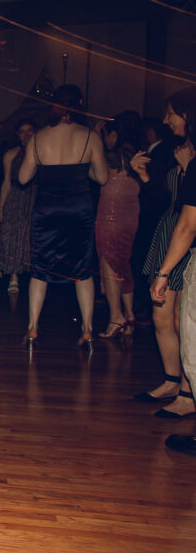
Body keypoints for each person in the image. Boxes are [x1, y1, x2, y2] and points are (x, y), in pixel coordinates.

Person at [19, 85, 110, 347]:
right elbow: (102, 177)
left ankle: (33, 327)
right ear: (79, 105)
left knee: (40, 268)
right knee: (82, 270)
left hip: (47, 209)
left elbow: (24, 178)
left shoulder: (38, 137)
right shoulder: (90, 136)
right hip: (78, 209)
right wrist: (81, 172)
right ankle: (87, 329)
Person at [149, 88, 196, 428]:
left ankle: (186, 393)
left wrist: (164, 271)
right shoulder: (172, 151)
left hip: (184, 238)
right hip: (172, 232)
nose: (166, 120)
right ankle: (174, 383)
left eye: (170, 113)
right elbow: (161, 202)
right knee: (168, 318)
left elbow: (189, 217)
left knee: (184, 321)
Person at [95, 119, 141, 337]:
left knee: (109, 261)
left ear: (113, 135)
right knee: (122, 261)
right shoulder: (135, 155)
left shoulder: (112, 156)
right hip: (131, 214)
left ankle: (116, 317)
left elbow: (97, 176)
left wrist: (93, 144)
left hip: (111, 213)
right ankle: (129, 314)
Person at [0, 119, 37, 293]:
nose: (26, 135)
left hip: (36, 196)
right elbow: (5, 182)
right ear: (17, 134)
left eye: (29, 130)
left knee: (32, 237)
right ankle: (13, 277)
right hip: (15, 196)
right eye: (22, 131)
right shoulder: (10, 154)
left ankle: (36, 278)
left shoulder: (41, 152)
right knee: (11, 235)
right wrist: (1, 208)